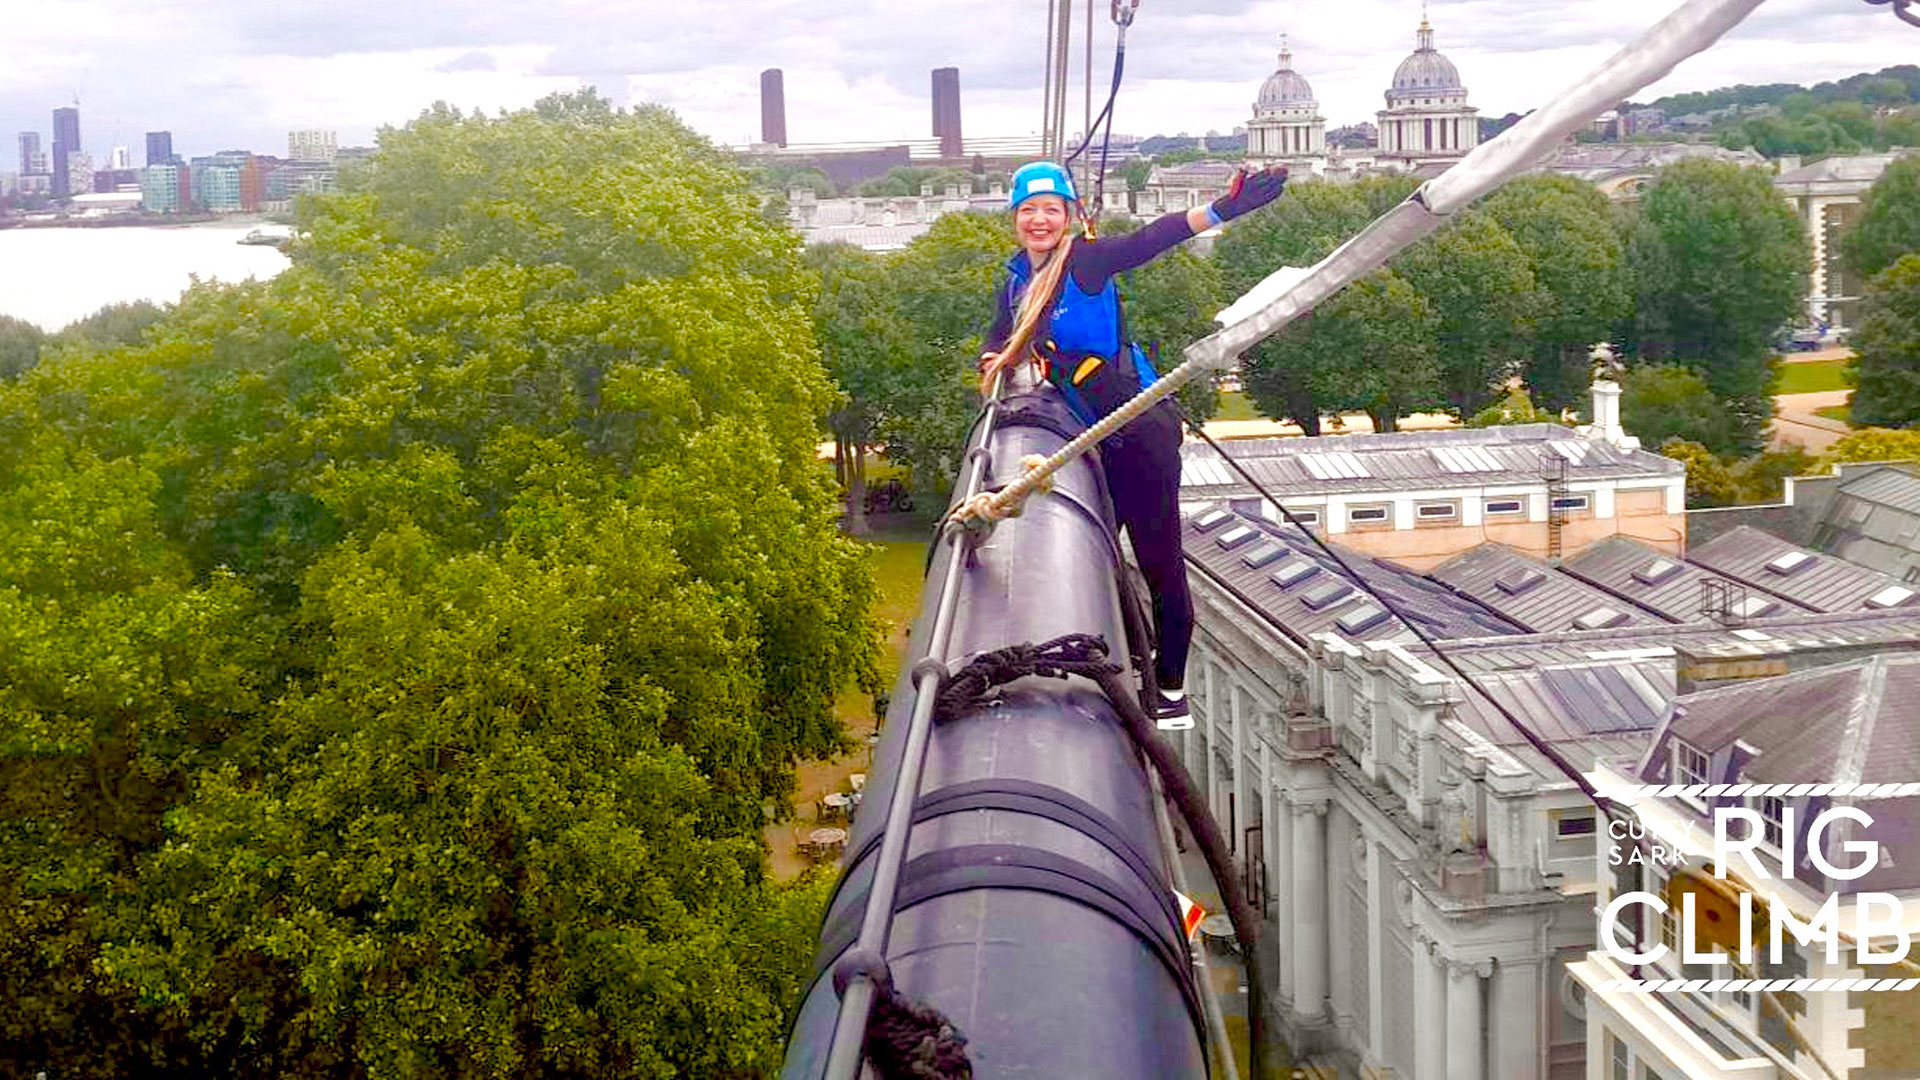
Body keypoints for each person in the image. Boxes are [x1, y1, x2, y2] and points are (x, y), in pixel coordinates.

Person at [978, 160, 1287, 719]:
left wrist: (1224, 208)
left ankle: (1170, 692)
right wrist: (998, 365)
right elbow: (1002, 335)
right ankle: (1117, 653)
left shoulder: (1086, 261)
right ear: (1015, 219)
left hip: (1140, 429)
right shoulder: (1016, 277)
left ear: (1069, 216)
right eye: (1029, 210)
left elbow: (1153, 238)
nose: (1039, 220)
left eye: (1051, 210)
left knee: (1157, 558)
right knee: (1092, 550)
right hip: (1098, 435)